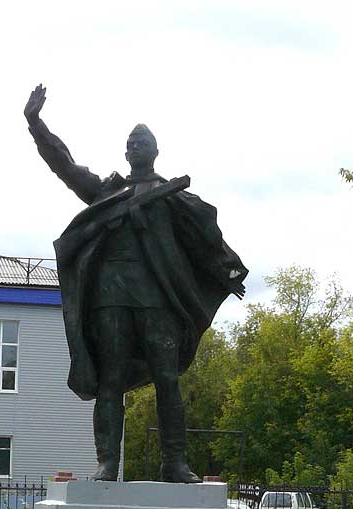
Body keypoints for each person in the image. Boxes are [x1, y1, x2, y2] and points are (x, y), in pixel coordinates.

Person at [25, 84, 248, 483]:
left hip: (156, 298)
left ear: (155, 151)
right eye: (130, 143)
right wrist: (36, 124)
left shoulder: (171, 196)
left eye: (142, 142)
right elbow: (65, 165)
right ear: (125, 153)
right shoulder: (107, 192)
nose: (135, 146)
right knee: (110, 380)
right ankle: (107, 463)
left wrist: (226, 273)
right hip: (109, 297)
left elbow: (204, 236)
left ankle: (175, 463)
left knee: (167, 379)